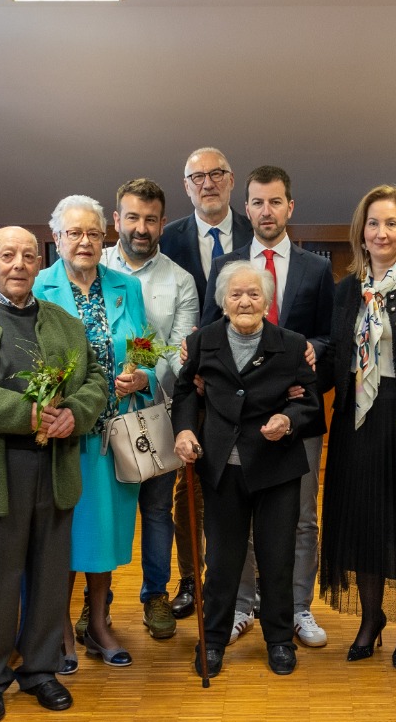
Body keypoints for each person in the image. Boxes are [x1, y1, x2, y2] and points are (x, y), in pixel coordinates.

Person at [0, 226, 106, 722]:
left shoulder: (64, 323)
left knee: (51, 579)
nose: (19, 265)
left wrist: (76, 411)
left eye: (29, 255)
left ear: (40, 263)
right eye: (7, 255)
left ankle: (41, 671)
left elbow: (93, 378)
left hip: (54, 468)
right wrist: (25, 413)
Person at [202, 165, 334, 648]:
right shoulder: (226, 266)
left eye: (275, 202)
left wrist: (311, 355)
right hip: (237, 422)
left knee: (297, 517)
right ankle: (240, 607)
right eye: (257, 202)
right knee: (238, 520)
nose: (266, 210)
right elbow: (208, 333)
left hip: (295, 410)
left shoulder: (315, 268)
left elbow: (329, 336)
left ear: (289, 208)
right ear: (247, 207)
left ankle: (296, 608)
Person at [172, 262, 321, 677]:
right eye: (236, 294)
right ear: (222, 301)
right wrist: (184, 429)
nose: (245, 301)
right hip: (221, 469)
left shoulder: (290, 345)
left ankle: (277, 640)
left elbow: (310, 401)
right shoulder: (202, 342)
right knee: (221, 561)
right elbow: (186, 392)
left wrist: (288, 419)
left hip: (276, 468)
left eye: (254, 294)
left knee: (277, 558)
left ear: (267, 301)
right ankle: (213, 640)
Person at [33, 195, 155, 669]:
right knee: (61, 532)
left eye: (92, 233)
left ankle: (99, 623)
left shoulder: (125, 286)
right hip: (62, 436)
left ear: (106, 236)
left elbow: (143, 345)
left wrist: (141, 374)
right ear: (57, 237)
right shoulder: (40, 286)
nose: (84, 241)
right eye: (73, 233)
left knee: (104, 533)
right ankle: (59, 627)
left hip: (114, 434)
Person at [318, 185, 396, 667]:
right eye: (373, 223)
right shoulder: (346, 289)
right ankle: (371, 620)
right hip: (354, 420)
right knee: (362, 520)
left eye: (391, 223)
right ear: (360, 233)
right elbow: (332, 358)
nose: (382, 232)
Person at [158, 147, 254, 620]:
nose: (208, 183)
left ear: (232, 180)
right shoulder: (167, 237)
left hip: (242, 381)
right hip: (186, 383)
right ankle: (191, 580)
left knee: (242, 482)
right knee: (188, 487)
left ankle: (237, 587)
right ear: (186, 185)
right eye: (197, 176)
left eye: (217, 174)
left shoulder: (256, 230)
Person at [102, 178, 199, 640]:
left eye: (151, 219)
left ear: (163, 223)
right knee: (102, 509)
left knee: (157, 511)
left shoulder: (179, 280)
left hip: (156, 411)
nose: (142, 228)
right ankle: (94, 603)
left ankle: (154, 595)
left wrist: (144, 374)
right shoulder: (92, 265)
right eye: (133, 218)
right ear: (116, 220)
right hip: (98, 415)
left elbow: (179, 346)